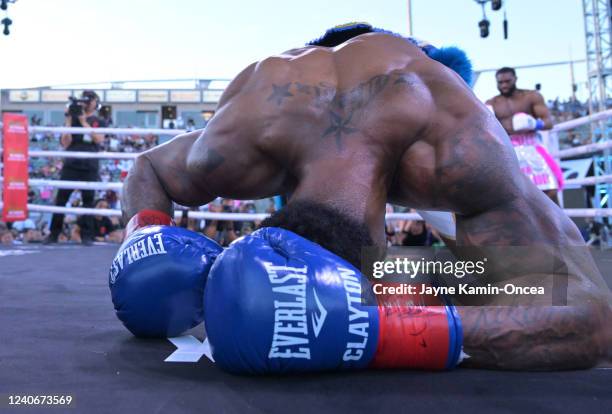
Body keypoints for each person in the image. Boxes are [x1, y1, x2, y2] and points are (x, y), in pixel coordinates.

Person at [114, 23, 611, 371]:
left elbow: (591, 317)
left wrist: (372, 335)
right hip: (391, 211)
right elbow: (581, 314)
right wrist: (149, 239)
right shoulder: (251, 130)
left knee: (469, 275)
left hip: (408, 142)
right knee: (467, 277)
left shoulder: (452, 146)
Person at [485, 67, 563, 204]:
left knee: (550, 190)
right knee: (514, 196)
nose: (504, 85)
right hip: (508, 150)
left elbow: (549, 122)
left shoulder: (531, 97)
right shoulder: (492, 104)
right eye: (500, 82)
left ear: (515, 79)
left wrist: (534, 124)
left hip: (532, 146)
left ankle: (561, 225)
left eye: (507, 81)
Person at [45, 90, 106, 245]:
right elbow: (65, 143)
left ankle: (87, 236)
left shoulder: (99, 120)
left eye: (89, 99)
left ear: (95, 102)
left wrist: (84, 121)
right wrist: (69, 120)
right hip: (71, 163)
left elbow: (99, 139)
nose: (86, 102)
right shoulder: (72, 119)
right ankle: (54, 233)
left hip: (90, 164)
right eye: (84, 99)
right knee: (61, 199)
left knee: (88, 200)